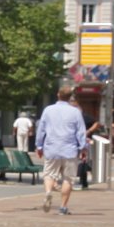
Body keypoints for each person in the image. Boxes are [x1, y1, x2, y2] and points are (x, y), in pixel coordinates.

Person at [35, 86, 87, 215]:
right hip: (69, 149)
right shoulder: (75, 112)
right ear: (70, 97)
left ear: (58, 95)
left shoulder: (48, 110)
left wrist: (39, 146)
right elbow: (81, 132)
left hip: (52, 148)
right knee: (68, 179)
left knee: (49, 174)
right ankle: (63, 207)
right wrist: (83, 147)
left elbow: (41, 129)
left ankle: (48, 192)